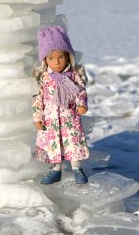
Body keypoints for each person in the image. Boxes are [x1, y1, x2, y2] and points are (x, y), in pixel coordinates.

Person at [32, 25, 90, 185]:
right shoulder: (44, 78)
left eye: (60, 57)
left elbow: (80, 92)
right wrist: (38, 117)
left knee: (73, 143)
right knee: (52, 145)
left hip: (69, 119)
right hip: (50, 120)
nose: (56, 62)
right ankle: (55, 169)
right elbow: (38, 98)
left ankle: (77, 167)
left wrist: (81, 104)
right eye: (51, 58)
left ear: (67, 57)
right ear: (45, 60)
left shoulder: (73, 76)